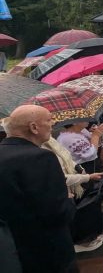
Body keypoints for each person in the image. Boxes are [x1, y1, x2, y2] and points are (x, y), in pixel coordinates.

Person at [0, 105, 77, 272]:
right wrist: (68, 199)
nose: (53, 123)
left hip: (14, 250)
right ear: (34, 127)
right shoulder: (40, 157)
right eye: (49, 120)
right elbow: (58, 212)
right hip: (48, 251)